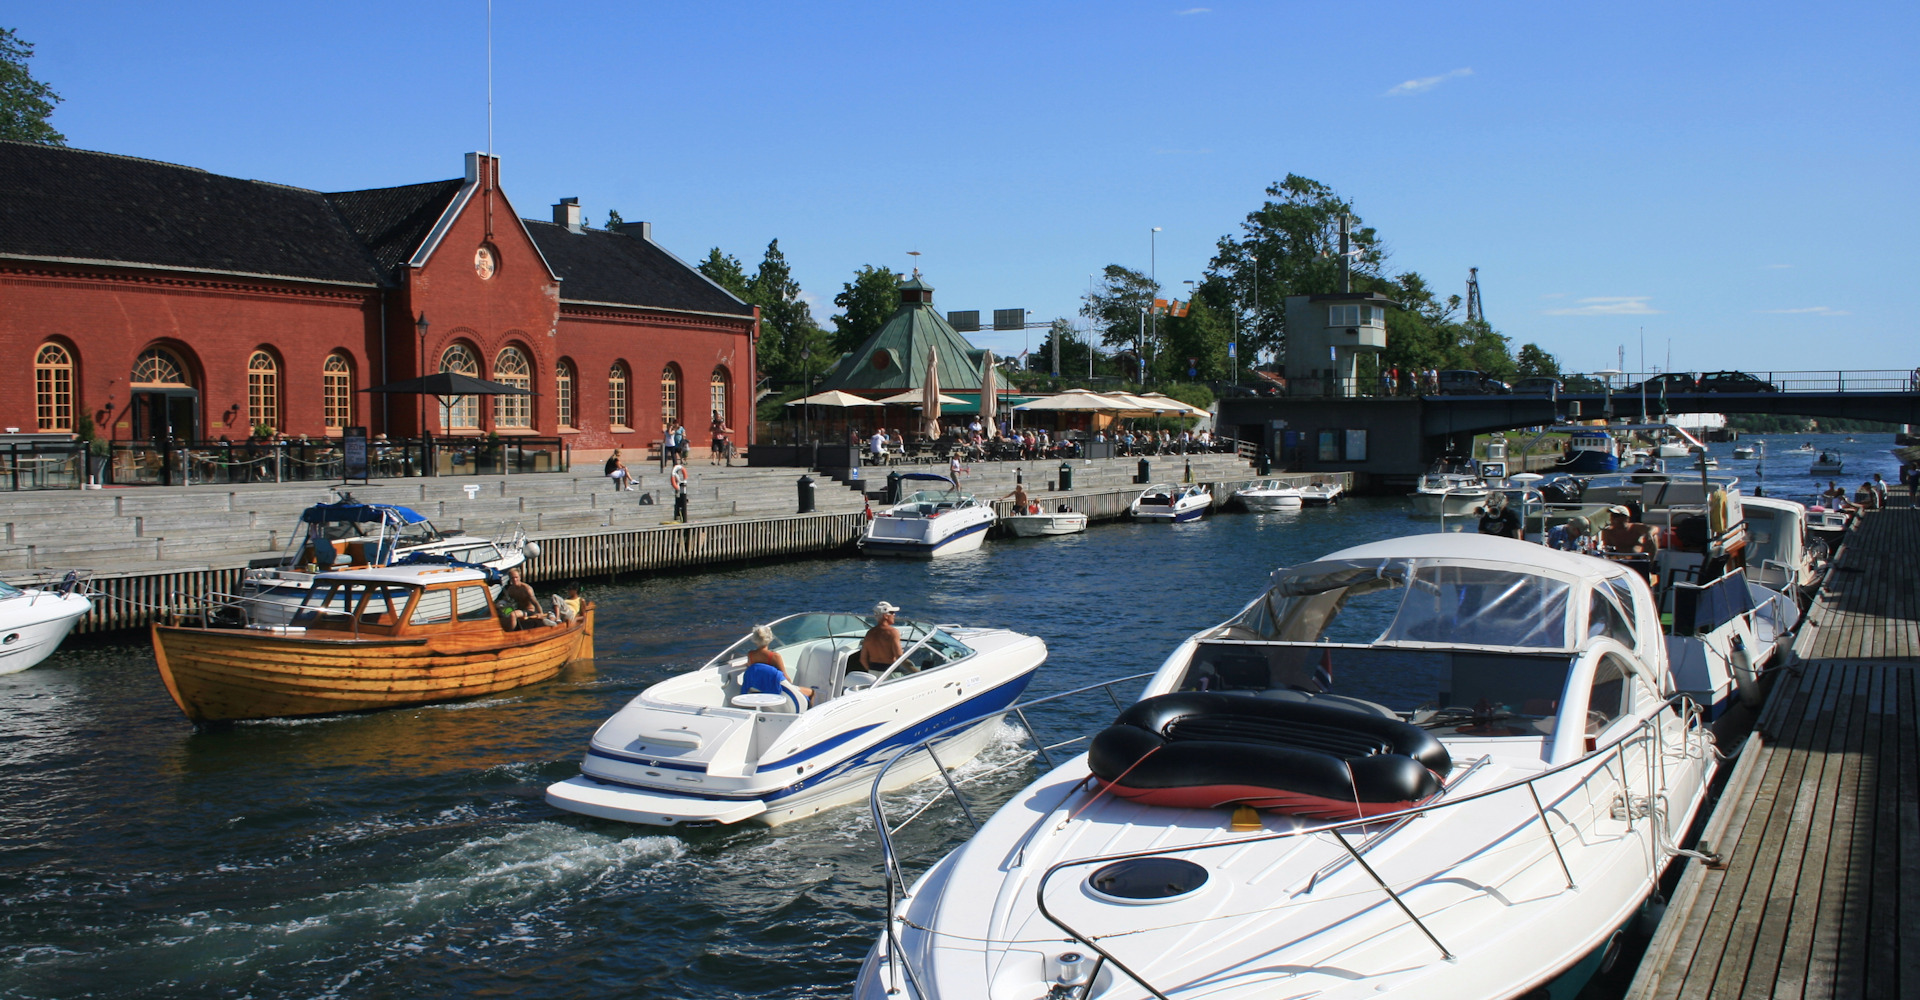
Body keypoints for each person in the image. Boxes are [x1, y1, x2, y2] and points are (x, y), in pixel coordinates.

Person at [740, 624, 812, 702]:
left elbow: (753, 668)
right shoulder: (774, 656)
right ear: (770, 638)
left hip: (760, 689)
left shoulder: (751, 655)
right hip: (776, 691)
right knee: (812, 692)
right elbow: (786, 678)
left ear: (755, 639)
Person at [859, 601, 905, 674]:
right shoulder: (893, 632)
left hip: (873, 671)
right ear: (885, 616)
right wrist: (913, 670)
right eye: (892, 612)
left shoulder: (869, 633)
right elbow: (899, 656)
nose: (894, 615)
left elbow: (863, 659)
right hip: (890, 672)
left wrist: (871, 671)